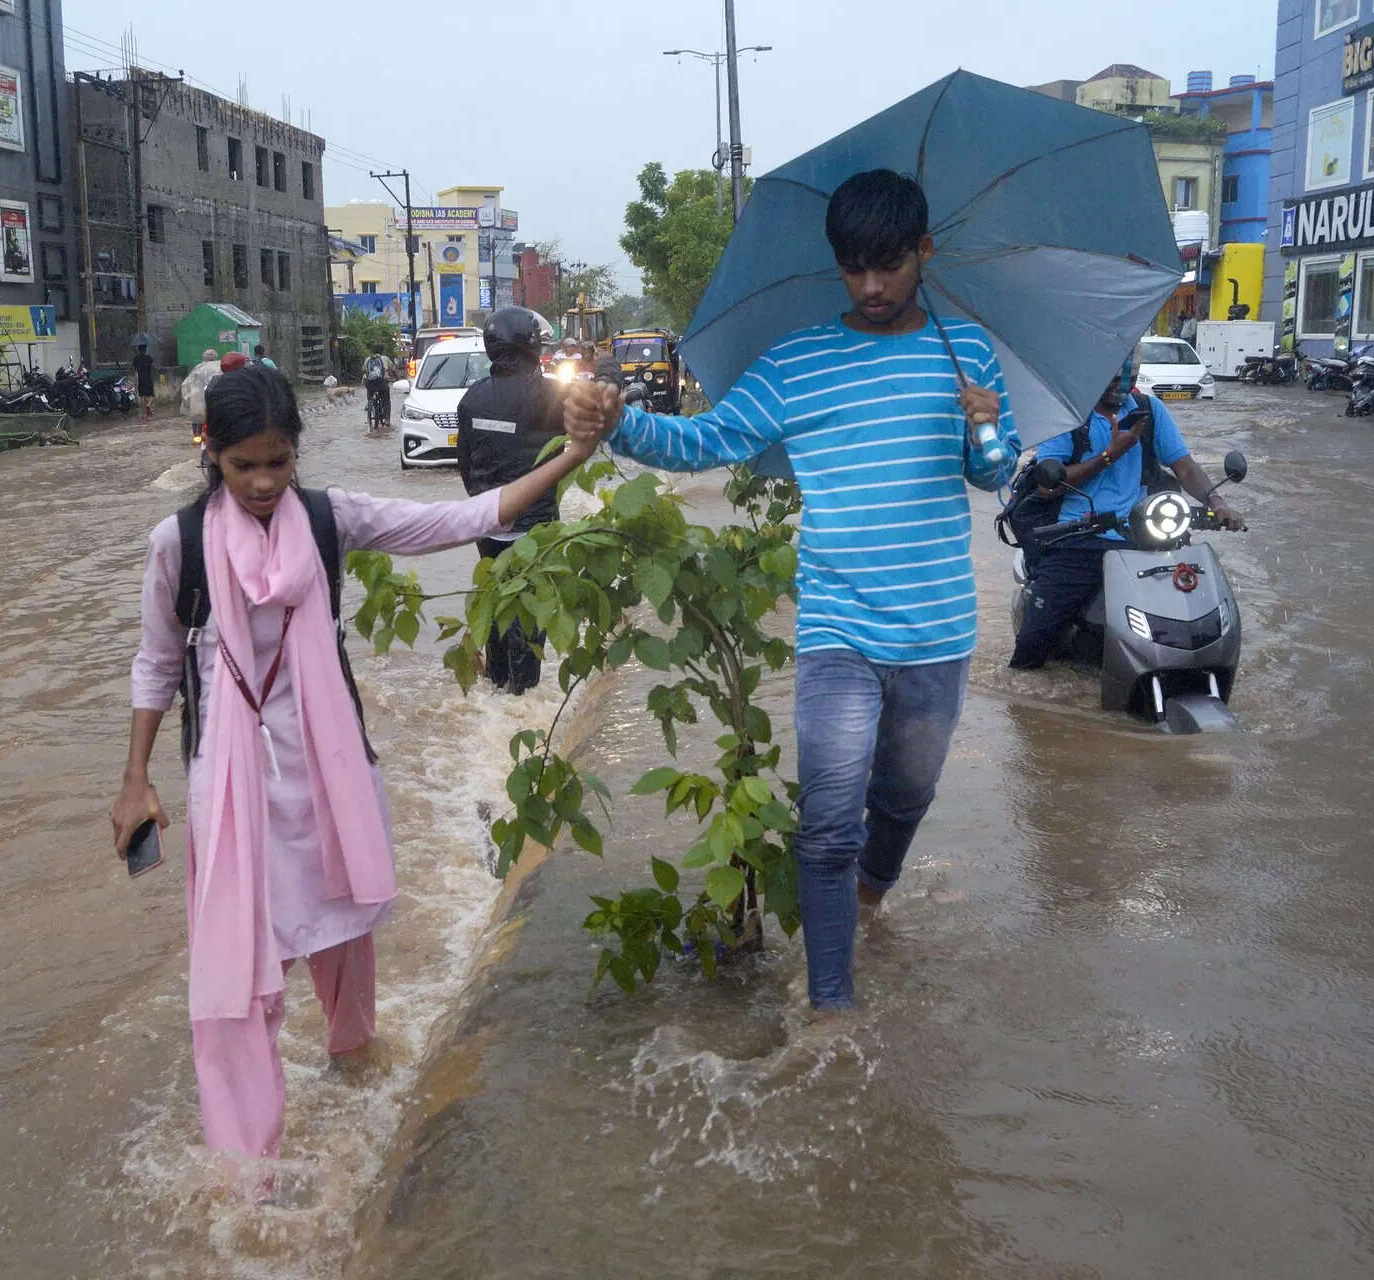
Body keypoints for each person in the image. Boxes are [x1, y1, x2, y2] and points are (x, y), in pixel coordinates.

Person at [111, 364, 604, 1161]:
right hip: (231, 784)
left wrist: (572, 456)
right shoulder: (179, 544)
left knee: (343, 929)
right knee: (238, 961)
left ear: (297, 454)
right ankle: (246, 1161)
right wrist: (134, 780)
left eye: (279, 462)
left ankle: (354, 1063)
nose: (264, 482)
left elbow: (461, 520)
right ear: (212, 454)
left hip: (326, 766)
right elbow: (156, 664)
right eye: (245, 466)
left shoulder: (329, 519)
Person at [564, 169, 1020, 1012]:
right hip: (837, 628)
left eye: (888, 264)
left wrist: (984, 424)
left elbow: (994, 477)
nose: (872, 286)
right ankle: (830, 1006)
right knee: (826, 821)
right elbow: (705, 441)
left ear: (923, 251)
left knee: (906, 797)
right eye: (853, 268)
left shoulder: (967, 353)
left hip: (939, 630)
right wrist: (619, 420)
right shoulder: (798, 363)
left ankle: (870, 902)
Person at [1007, 352, 1245, 670]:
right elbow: (1050, 484)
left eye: (1129, 380)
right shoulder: (1070, 415)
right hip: (1079, 539)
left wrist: (1217, 503)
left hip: (1143, 538)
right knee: (1033, 644)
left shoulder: (1149, 409)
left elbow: (1184, 467)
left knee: (1191, 614)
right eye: (1113, 379)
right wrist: (1109, 454)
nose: (1121, 388)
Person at [456, 306, 563, 694]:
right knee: (530, 620)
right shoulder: (550, 396)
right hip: (536, 531)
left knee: (496, 607)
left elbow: (465, 468)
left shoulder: (471, 400)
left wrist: (489, 508)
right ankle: (525, 704)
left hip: (488, 526)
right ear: (530, 344)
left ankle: (497, 692)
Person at [362, 350, 391, 430]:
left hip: (370, 384)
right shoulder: (385, 358)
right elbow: (393, 369)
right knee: (386, 400)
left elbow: (364, 370)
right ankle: (387, 419)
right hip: (381, 383)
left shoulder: (367, 359)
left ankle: (369, 403)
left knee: (369, 391)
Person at [134, 342, 156, 420]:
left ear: (139, 350)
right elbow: (153, 367)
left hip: (140, 379)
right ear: (145, 350)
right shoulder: (149, 358)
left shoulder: (136, 358)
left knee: (142, 396)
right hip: (148, 378)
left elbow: (134, 368)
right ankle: (149, 405)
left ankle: (143, 414)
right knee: (151, 395)